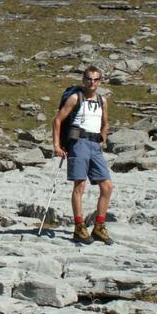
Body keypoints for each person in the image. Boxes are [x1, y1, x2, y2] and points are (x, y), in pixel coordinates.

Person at [52, 65, 114, 245]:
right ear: (83, 80)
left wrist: (103, 137)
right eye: (89, 79)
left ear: (100, 82)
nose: (92, 83)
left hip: (95, 145)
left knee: (107, 186)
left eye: (95, 80)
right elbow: (57, 120)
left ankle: (99, 227)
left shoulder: (102, 100)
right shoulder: (75, 98)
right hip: (78, 144)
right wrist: (56, 145)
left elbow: (105, 122)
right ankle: (79, 227)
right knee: (80, 186)